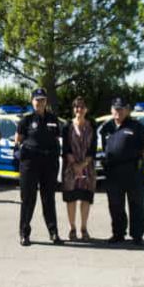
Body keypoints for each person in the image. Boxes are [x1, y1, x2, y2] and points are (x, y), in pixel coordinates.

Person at [100, 97, 144, 246]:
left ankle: (137, 235)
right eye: (116, 109)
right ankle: (118, 233)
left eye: (121, 109)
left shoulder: (137, 126)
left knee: (136, 204)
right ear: (111, 110)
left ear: (127, 110)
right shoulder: (107, 127)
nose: (118, 112)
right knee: (115, 205)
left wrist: (141, 158)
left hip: (133, 171)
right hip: (113, 172)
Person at [16, 88, 63, 246]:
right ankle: (24, 233)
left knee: (48, 199)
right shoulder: (26, 120)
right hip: (30, 164)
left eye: (42, 100)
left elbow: (57, 138)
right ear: (32, 101)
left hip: (49, 163)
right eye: (37, 100)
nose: (40, 102)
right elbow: (18, 140)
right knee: (28, 199)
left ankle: (53, 232)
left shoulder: (53, 119)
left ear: (46, 102)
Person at [61, 97, 97, 241]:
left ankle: (84, 228)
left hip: (88, 168)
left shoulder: (92, 125)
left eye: (82, 107)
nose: (79, 110)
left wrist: (82, 165)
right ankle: (72, 228)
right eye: (76, 107)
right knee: (71, 199)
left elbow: (93, 149)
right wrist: (75, 165)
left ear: (86, 109)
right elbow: (65, 148)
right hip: (70, 168)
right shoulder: (67, 126)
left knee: (85, 198)